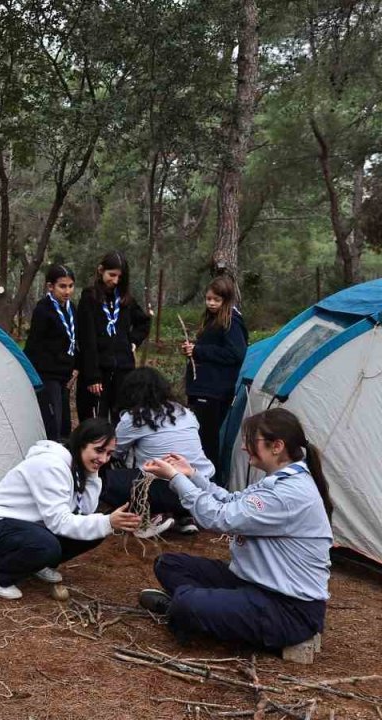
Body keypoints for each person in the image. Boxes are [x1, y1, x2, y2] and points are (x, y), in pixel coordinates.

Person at [137, 408, 332, 651]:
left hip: (288, 609)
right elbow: (231, 501)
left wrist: (176, 479)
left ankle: (187, 609)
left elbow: (219, 517)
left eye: (251, 441)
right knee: (168, 564)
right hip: (253, 582)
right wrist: (193, 475)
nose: (243, 447)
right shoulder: (279, 480)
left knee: (186, 604)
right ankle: (205, 610)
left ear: (277, 446)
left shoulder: (287, 494)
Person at [0, 418, 143, 599]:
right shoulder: (51, 465)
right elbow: (59, 522)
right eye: (99, 450)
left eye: (109, 454)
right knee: (47, 545)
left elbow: (85, 510)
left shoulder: (77, 466)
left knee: (95, 530)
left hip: (31, 525)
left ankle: (38, 564)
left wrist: (93, 475)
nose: (103, 459)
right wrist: (107, 521)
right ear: (81, 444)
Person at [102, 367, 215, 536]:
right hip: (204, 485)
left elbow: (113, 452)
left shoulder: (134, 417)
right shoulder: (186, 412)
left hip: (168, 489)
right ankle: (185, 516)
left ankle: (152, 515)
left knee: (107, 480)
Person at [76, 251, 151, 423]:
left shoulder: (125, 299)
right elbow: (87, 340)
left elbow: (144, 322)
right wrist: (92, 376)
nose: (115, 281)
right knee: (97, 423)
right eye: (112, 275)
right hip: (99, 372)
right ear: (100, 270)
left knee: (122, 421)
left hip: (123, 371)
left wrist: (132, 341)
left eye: (119, 277)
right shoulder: (89, 298)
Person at [183, 275, 248, 473]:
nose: (211, 303)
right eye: (208, 298)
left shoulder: (232, 321)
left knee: (208, 442)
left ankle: (211, 482)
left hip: (214, 391)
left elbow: (235, 354)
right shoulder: (212, 319)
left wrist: (199, 351)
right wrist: (193, 350)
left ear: (226, 300)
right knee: (200, 439)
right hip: (202, 388)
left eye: (216, 300)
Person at [24, 264, 79, 440]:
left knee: (64, 423)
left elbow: (75, 340)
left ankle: (64, 452)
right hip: (48, 374)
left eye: (70, 286)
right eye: (62, 286)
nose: (67, 291)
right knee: (53, 420)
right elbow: (34, 344)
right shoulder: (43, 309)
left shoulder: (72, 309)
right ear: (50, 286)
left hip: (66, 374)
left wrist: (75, 368)